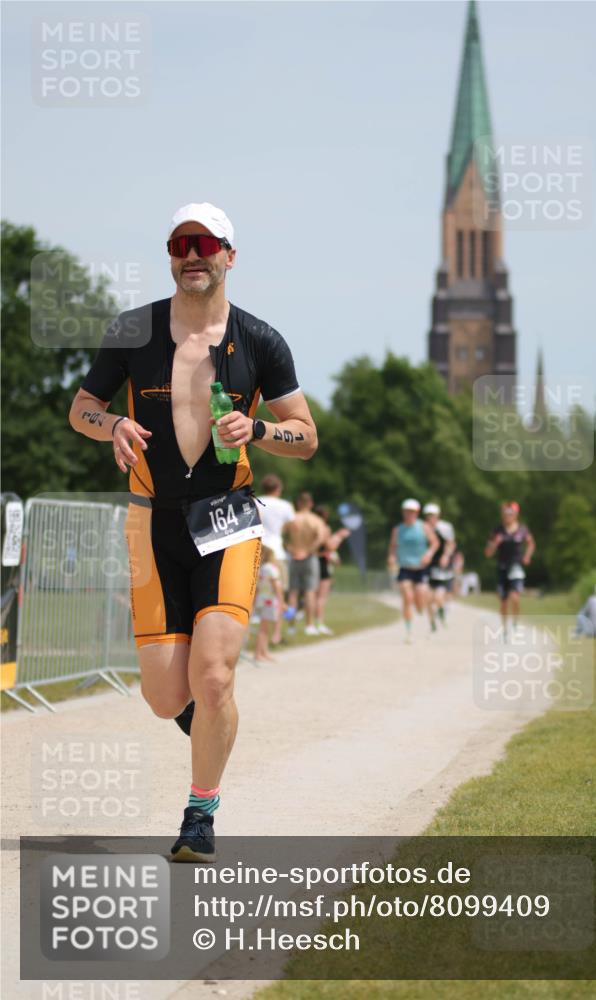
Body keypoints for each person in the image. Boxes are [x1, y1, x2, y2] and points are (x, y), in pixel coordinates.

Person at [69, 202, 317, 861]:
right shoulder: (133, 330)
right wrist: (112, 426)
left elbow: (307, 436)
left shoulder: (260, 341)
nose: (193, 253)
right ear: (171, 254)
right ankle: (215, 723)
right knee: (163, 696)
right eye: (182, 243)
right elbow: (83, 409)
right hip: (152, 521)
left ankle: (199, 815)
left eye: (207, 243)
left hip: (228, 516)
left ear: (230, 256)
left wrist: (259, 431)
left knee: (213, 676)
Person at [387, 499, 439, 643]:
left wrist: (428, 554)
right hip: (405, 567)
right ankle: (409, 631)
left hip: (421, 568)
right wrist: (391, 557)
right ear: (403, 512)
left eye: (412, 512)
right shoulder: (398, 530)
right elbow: (392, 546)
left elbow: (435, 543)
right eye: (407, 511)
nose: (409, 514)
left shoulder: (423, 527)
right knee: (406, 596)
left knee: (420, 597)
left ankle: (424, 619)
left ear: (416, 513)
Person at [485, 501, 535, 640]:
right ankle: (505, 628)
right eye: (505, 514)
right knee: (503, 601)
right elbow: (488, 553)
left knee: (515, 597)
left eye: (510, 514)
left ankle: (516, 622)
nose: (507, 517)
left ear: (515, 515)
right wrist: (495, 543)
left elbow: (531, 543)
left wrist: (527, 556)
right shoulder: (497, 531)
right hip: (502, 568)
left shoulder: (522, 529)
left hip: (516, 567)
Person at [256, 474, 295, 644]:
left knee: (256, 593)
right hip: (276, 554)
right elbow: (293, 526)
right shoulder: (285, 505)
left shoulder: (255, 500)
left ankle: (256, 632)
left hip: (258, 551)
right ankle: (276, 634)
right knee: (279, 594)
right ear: (278, 489)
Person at [285, 491, 326, 636]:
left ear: (298, 503)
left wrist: (288, 547)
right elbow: (321, 537)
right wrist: (309, 550)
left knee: (293, 593)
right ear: (311, 504)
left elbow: (281, 533)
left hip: (294, 555)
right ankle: (309, 625)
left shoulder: (292, 518)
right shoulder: (315, 520)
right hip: (309, 557)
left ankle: (291, 626)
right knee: (310, 592)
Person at [313, 505, 350, 635]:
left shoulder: (310, 526)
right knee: (321, 597)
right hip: (321, 563)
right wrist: (339, 536)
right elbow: (330, 546)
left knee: (311, 595)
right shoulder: (324, 528)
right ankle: (318, 623)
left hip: (311, 560)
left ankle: (308, 624)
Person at [422, 502, 456, 631]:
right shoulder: (423, 528)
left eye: (433, 515)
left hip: (442, 565)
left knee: (438, 596)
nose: (431, 518)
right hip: (428, 566)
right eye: (428, 515)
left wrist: (446, 556)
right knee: (427, 597)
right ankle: (432, 624)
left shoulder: (445, 527)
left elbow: (450, 544)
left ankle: (441, 611)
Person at [253, 545, 283, 664]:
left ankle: (263, 652)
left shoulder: (261, 568)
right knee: (264, 628)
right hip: (270, 600)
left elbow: (258, 588)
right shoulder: (271, 569)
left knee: (264, 627)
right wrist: (281, 601)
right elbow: (276, 586)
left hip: (261, 599)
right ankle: (258, 653)